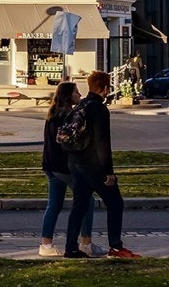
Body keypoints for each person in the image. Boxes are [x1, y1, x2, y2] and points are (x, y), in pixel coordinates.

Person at [65, 70, 142, 259]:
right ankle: (116, 247)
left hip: (75, 163)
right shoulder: (99, 109)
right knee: (115, 203)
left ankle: (70, 247)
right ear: (106, 88)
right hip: (94, 165)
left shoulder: (80, 105)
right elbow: (102, 142)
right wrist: (109, 172)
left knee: (79, 205)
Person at [38, 81, 99, 257]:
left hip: (50, 165)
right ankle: (86, 241)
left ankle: (46, 244)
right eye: (76, 92)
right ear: (68, 95)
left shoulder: (53, 113)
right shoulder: (67, 115)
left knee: (54, 204)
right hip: (63, 166)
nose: (79, 95)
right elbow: (68, 142)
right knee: (87, 200)